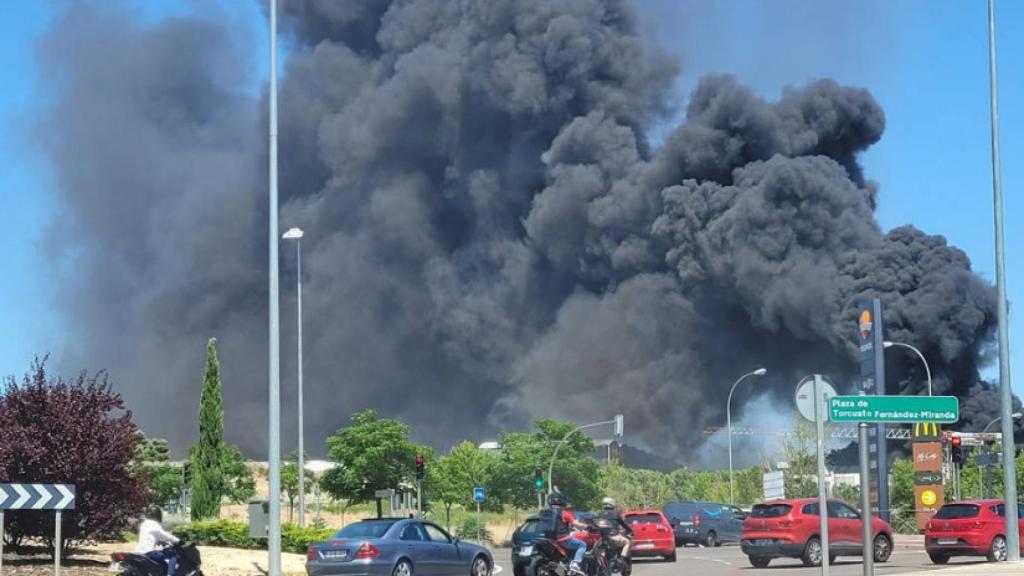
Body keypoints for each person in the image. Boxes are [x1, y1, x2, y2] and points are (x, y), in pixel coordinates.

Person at [548, 493, 588, 575]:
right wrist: (586, 525)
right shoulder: (564, 513)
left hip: (551, 540)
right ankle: (575, 563)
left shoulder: (546, 513)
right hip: (563, 539)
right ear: (562, 502)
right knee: (582, 544)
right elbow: (576, 524)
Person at [134, 506, 179, 575]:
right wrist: (178, 540)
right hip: (148, 553)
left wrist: (160, 541)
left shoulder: (145, 524)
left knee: (162, 561)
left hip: (138, 553)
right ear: (157, 515)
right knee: (173, 555)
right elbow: (164, 535)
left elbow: (150, 536)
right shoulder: (154, 524)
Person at [598, 497, 632, 562]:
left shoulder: (600, 514)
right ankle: (622, 558)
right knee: (627, 542)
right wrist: (630, 531)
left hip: (601, 538)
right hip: (613, 537)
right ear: (612, 504)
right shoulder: (616, 514)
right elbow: (624, 524)